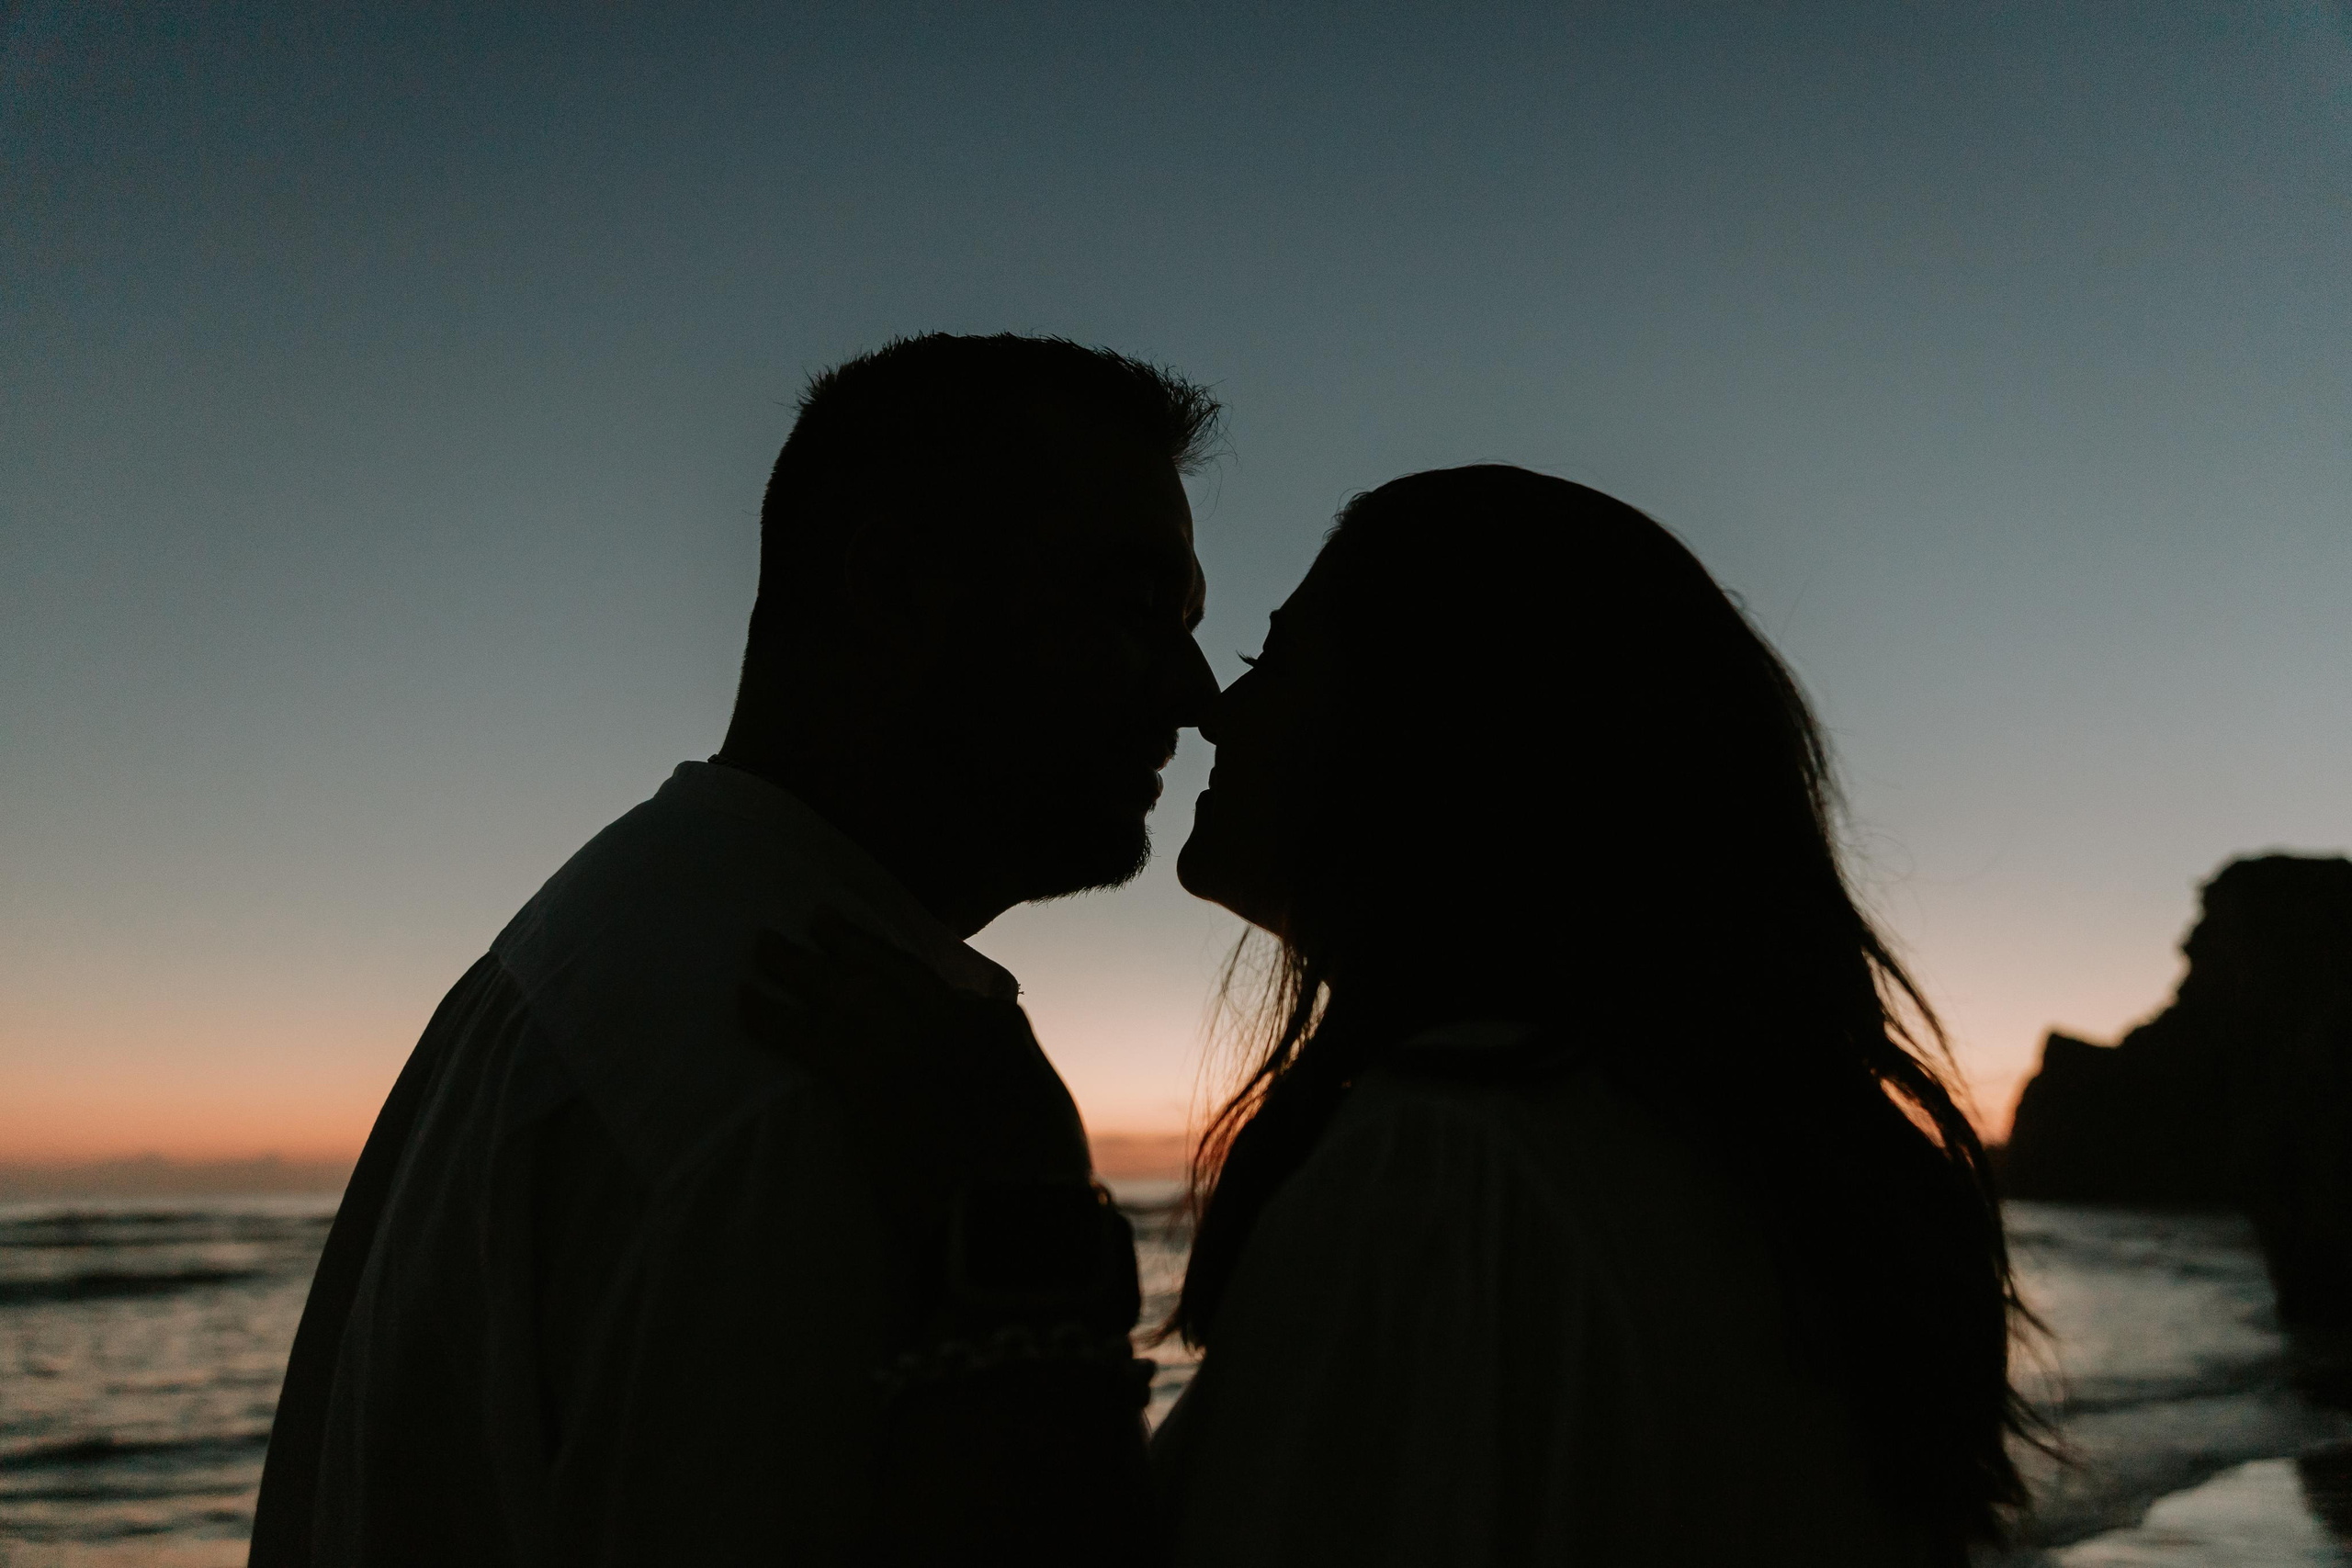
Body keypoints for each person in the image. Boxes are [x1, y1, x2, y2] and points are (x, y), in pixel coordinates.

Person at [249, 333, 1222, 1566]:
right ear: (893, 584)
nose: (1195, 691)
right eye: (1135, 605)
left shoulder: (606, 940)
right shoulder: (804, 1084)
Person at [1153, 466, 2040, 1565]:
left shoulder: (1444, 1167)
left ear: (1443, 725)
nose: (1214, 712)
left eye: (1270, 661)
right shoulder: (1763, 1174)